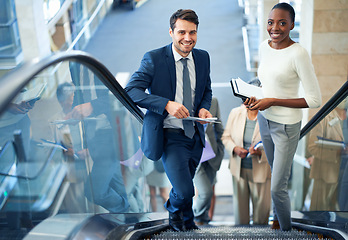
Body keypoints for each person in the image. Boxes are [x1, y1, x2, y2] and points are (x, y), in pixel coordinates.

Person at [125, 9, 213, 231]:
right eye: (182, 32)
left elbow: (206, 91)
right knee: (184, 190)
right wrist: (166, 104)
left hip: (194, 134)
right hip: (169, 136)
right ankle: (173, 212)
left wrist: (203, 108)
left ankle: (188, 222)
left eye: (192, 32)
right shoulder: (154, 59)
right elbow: (131, 91)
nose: (187, 38)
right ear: (171, 32)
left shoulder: (202, 57)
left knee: (185, 185)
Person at [244, 3, 321, 231]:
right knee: (274, 178)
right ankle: (277, 223)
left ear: (291, 25)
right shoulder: (264, 47)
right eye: (271, 22)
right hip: (264, 120)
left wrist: (273, 100)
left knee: (278, 186)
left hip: (286, 126)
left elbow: (314, 100)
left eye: (282, 23)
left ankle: (287, 233)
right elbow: (266, 83)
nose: (274, 27)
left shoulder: (299, 53)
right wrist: (254, 96)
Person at [222, 79, 271, 226]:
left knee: (261, 214)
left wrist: (260, 153)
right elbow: (226, 137)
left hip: (261, 170)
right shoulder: (236, 113)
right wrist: (235, 149)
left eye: (249, 99)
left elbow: (277, 144)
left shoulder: (269, 116)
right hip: (239, 170)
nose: (246, 103)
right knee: (241, 215)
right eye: (244, 99)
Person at [307, 102, 347, 211]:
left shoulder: (345, 118)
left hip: (341, 174)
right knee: (318, 212)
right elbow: (313, 147)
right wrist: (337, 153)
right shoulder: (324, 117)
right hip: (325, 174)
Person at [193, 97, 224, 225]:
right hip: (195, 155)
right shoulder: (187, 101)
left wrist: (220, 150)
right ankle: (195, 217)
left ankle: (203, 220)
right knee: (205, 192)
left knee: (209, 192)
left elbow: (218, 126)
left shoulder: (214, 101)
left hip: (212, 154)